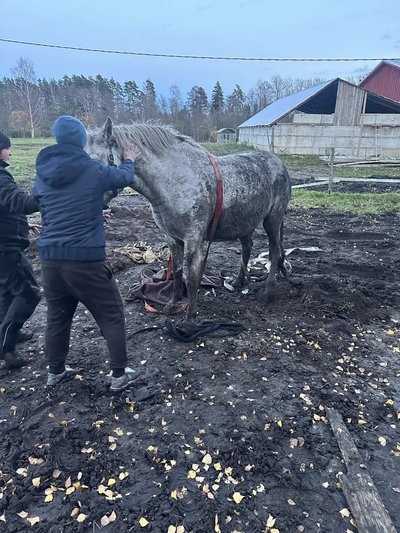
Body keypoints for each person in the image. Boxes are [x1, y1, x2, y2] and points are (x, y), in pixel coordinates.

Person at [33, 115, 142, 390]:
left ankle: (55, 371)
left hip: (50, 260)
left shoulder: (43, 173)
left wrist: (93, 211)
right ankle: (119, 375)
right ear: (82, 140)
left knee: (57, 317)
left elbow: (58, 206)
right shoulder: (92, 169)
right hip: (84, 260)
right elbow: (124, 177)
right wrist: (129, 159)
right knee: (112, 313)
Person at [0, 132, 41, 369]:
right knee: (29, 293)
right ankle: (6, 348)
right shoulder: (1, 177)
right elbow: (19, 202)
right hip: (7, 250)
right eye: (7, 148)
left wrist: (24, 223)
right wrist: (49, 194)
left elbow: (6, 208)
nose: (10, 152)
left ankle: (7, 335)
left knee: (6, 293)